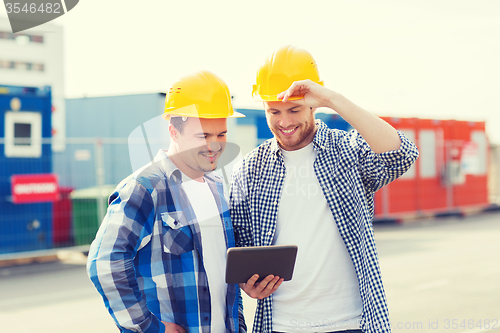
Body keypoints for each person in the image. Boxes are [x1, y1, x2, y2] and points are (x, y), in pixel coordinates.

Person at [230, 46, 419, 333]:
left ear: (313, 104)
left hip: (351, 323)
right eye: (274, 111)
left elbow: (401, 154)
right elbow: (242, 248)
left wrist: (332, 98)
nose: (284, 122)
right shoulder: (250, 168)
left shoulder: (346, 150)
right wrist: (249, 284)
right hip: (280, 325)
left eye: (294, 109)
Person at [87, 71, 252, 333]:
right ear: (173, 131)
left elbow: (222, 274)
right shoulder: (144, 189)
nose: (215, 145)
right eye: (203, 135)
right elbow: (105, 263)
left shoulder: (219, 189)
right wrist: (150, 328)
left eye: (221, 134)